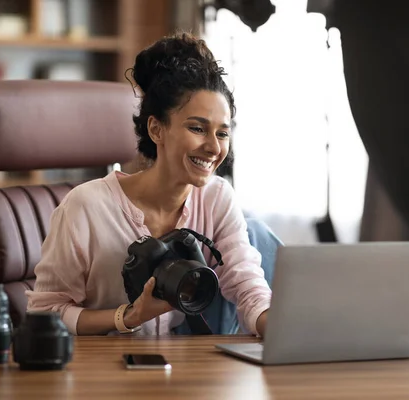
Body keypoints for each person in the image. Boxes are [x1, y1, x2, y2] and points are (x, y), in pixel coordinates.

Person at [26, 32, 276, 337]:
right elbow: (45, 313)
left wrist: (284, 328)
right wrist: (129, 317)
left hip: (174, 367)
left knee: (259, 234)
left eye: (222, 134)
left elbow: (247, 286)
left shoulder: (217, 197)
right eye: (197, 128)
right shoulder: (84, 208)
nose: (213, 147)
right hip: (98, 372)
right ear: (157, 129)